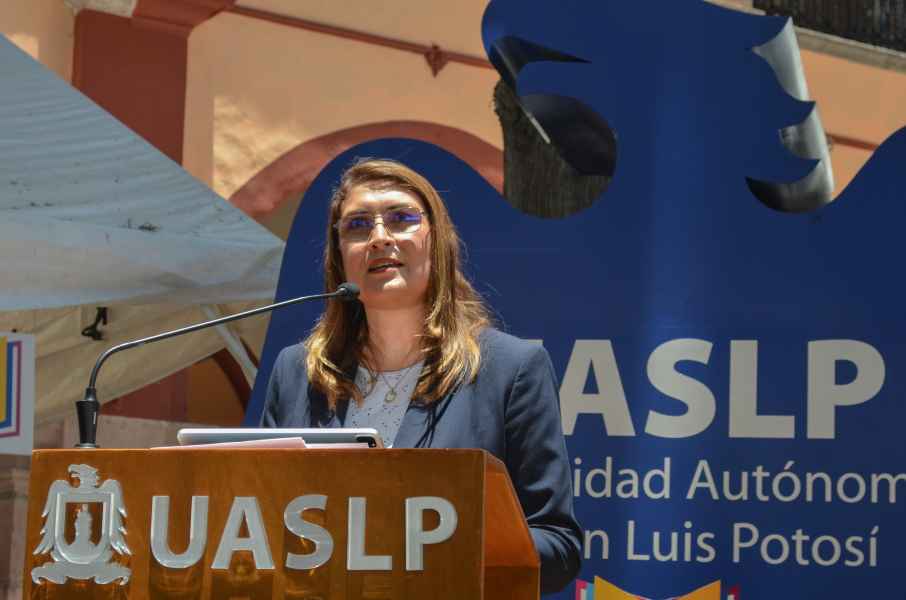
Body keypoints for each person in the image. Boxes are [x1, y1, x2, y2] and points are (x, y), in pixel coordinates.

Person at [260, 158, 581, 593]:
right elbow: (261, 518)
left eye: (401, 218)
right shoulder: (297, 374)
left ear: (437, 242)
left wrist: (435, 539)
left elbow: (558, 548)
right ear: (339, 256)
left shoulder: (512, 370)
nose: (379, 237)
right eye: (357, 225)